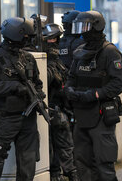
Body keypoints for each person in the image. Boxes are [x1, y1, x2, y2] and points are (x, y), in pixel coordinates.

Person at [65, 11, 122, 181]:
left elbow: (118, 83)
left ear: (97, 26)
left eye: (86, 27)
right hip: (80, 115)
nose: (83, 31)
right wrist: (69, 90)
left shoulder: (110, 52)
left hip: (100, 115)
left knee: (103, 165)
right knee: (82, 163)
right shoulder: (79, 52)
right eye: (80, 27)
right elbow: (71, 78)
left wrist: (95, 94)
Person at [0, 17, 44, 181]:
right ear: (16, 35)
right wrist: (15, 87)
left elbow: (37, 83)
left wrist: (38, 96)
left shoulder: (28, 58)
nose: (27, 41)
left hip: (28, 118)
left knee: (28, 162)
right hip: (6, 117)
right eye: (25, 38)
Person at [42, 23, 80, 181]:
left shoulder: (57, 61)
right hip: (49, 109)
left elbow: (64, 82)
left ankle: (67, 173)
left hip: (59, 108)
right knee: (56, 149)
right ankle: (59, 173)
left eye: (56, 38)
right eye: (51, 39)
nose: (55, 42)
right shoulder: (42, 61)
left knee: (65, 147)